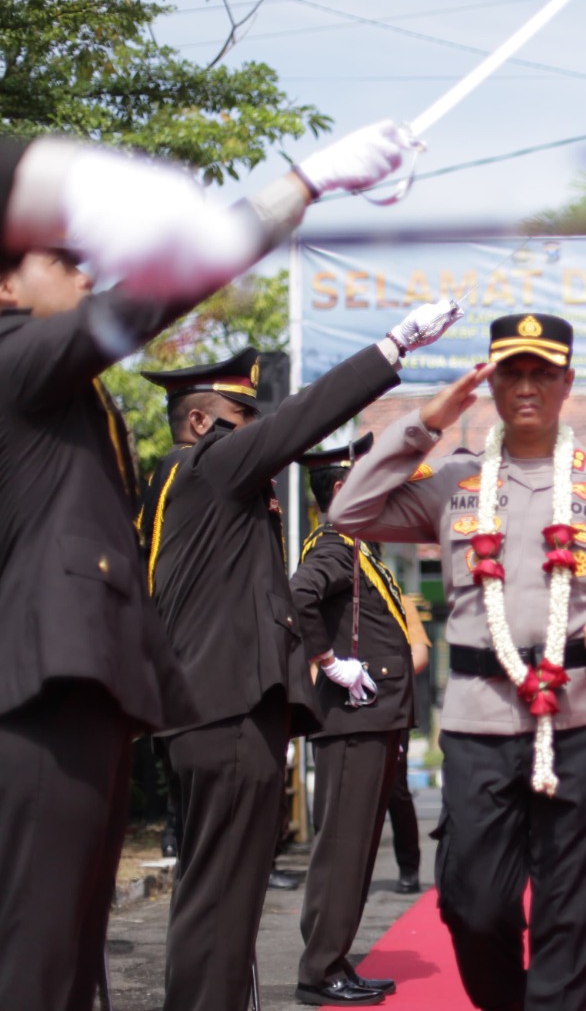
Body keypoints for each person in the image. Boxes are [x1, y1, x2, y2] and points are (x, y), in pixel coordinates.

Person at [0, 120, 412, 1011]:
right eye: (61, 258)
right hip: (38, 699)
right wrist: (298, 186)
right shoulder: (15, 362)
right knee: (34, 962)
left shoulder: (68, 398)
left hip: (86, 700)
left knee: (69, 960)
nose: (84, 273)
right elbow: (154, 295)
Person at [329, 313, 586, 1011]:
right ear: (490, 381)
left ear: (568, 383)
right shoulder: (452, 482)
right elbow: (349, 511)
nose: (528, 386)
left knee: (573, 906)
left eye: (544, 372)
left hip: (583, 713)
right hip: (480, 720)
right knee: (472, 905)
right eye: (512, 371)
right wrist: (424, 420)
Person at [141, 300, 460, 1011]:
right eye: (245, 424)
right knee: (224, 903)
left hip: (202, 711)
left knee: (212, 897)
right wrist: (392, 345)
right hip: (226, 715)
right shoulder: (209, 470)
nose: (260, 442)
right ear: (202, 424)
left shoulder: (179, 491)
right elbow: (303, 420)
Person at [291, 433, 418, 1006]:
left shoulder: (355, 546)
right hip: (353, 720)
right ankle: (320, 969)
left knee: (358, 849)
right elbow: (299, 597)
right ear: (343, 489)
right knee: (343, 848)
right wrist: (328, 660)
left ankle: (334, 958)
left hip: (372, 717)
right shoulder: (335, 547)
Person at [387, 593, 433, 896]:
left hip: (389, 699)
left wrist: (382, 677)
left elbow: (420, 654)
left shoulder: (399, 599)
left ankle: (409, 867)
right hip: (342, 700)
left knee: (395, 788)